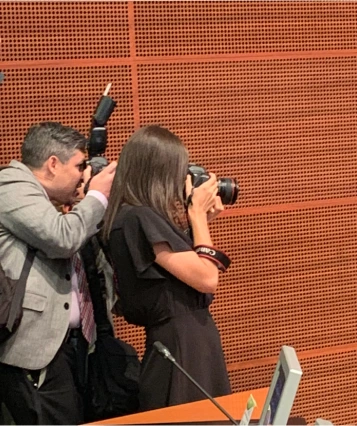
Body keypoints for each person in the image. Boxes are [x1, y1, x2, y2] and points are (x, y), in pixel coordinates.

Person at [101, 125, 231, 410]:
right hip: (182, 344)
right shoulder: (137, 217)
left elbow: (185, 271)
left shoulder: (136, 217)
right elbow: (207, 278)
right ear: (160, 173)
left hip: (190, 340)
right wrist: (196, 216)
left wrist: (200, 222)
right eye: (179, 170)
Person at [0, 122, 116, 424]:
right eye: (78, 166)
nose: (82, 174)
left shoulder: (40, 197)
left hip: (68, 346)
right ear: (53, 164)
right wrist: (98, 196)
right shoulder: (10, 187)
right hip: (31, 352)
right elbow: (62, 238)